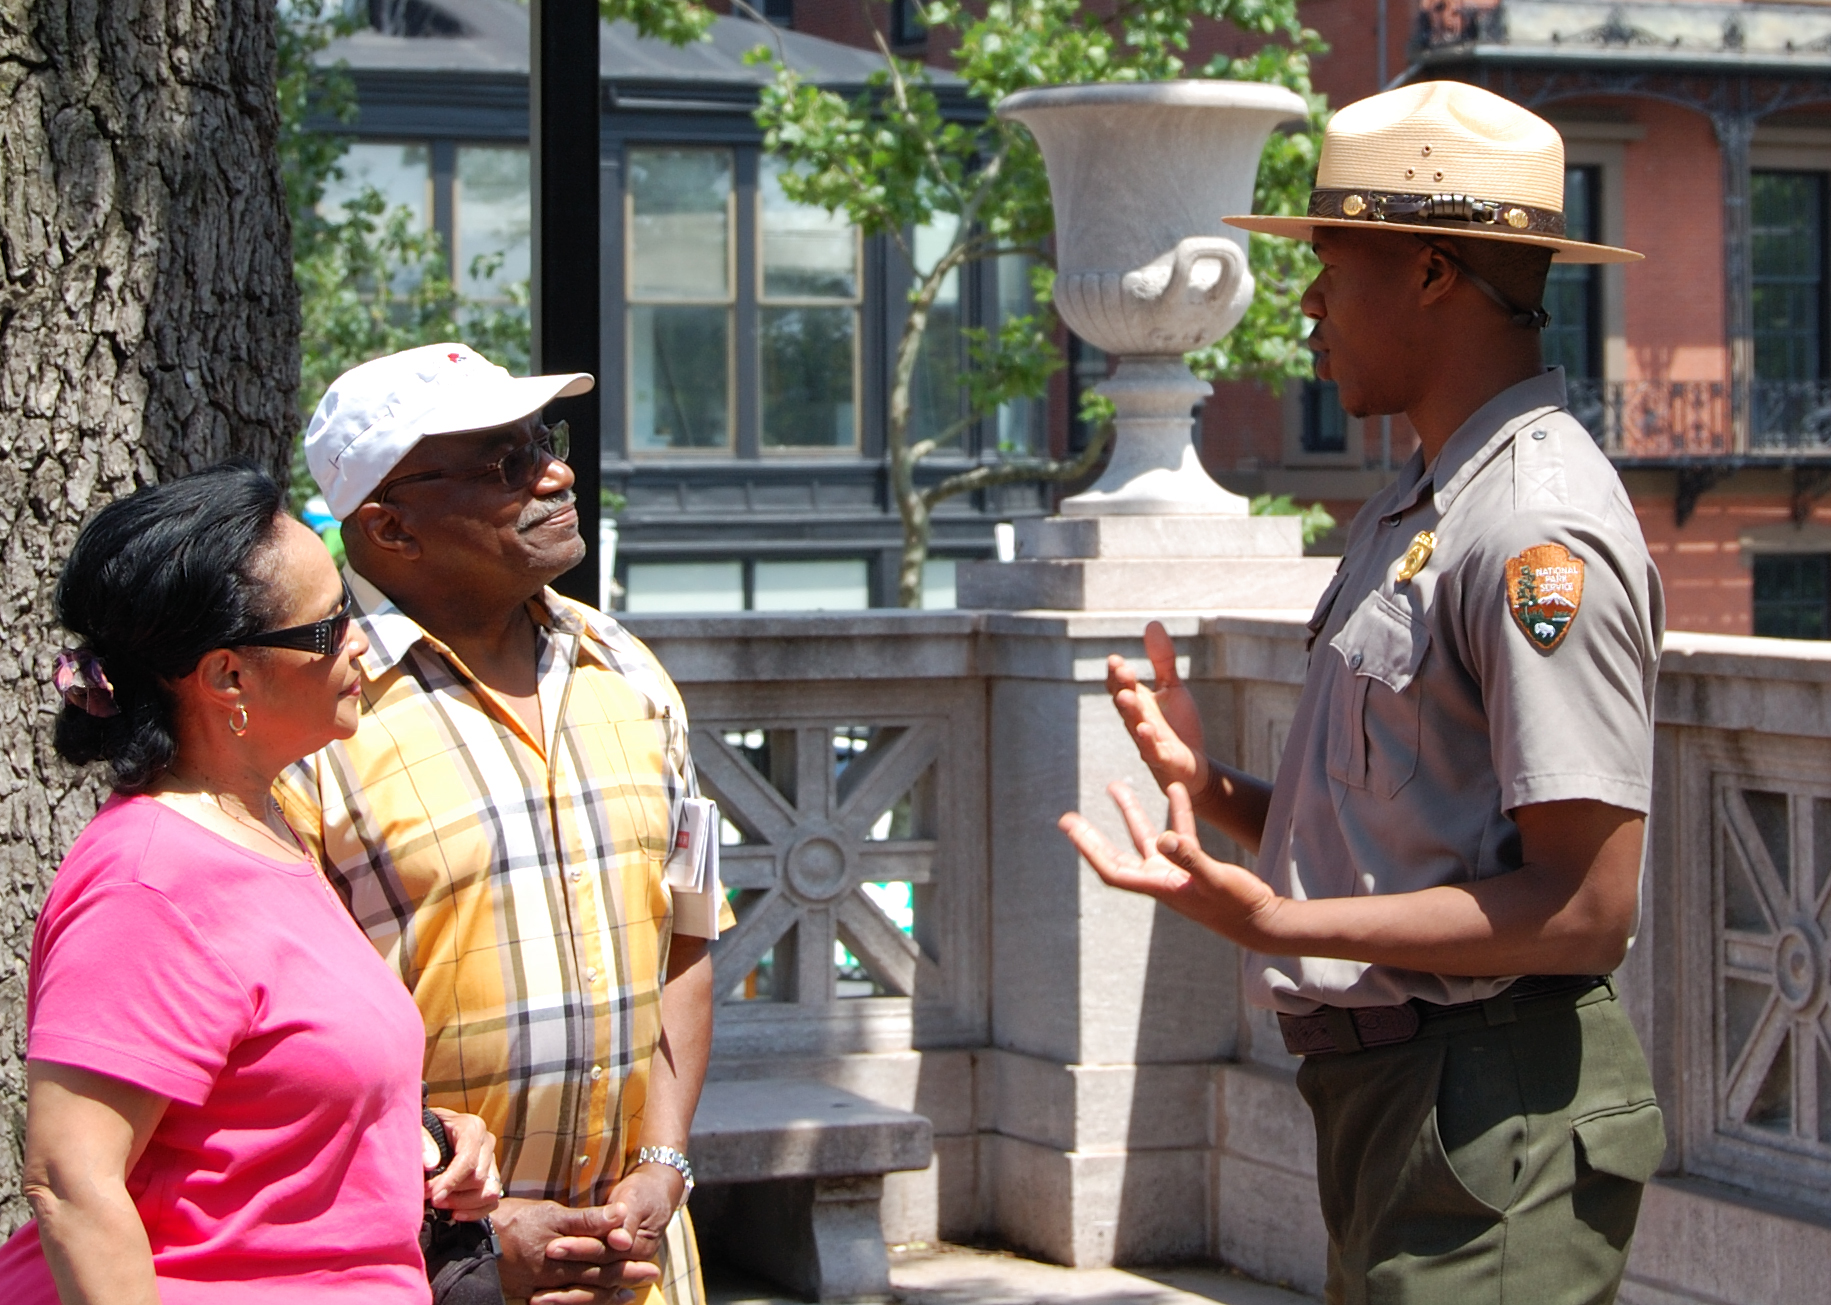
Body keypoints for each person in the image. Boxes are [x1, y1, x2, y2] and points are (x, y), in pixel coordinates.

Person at [1060, 82, 1669, 1304]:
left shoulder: (1533, 529)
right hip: (1410, 1105)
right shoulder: (1422, 502)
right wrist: (1219, 791)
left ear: (1436, 273)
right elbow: (1429, 823)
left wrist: (1280, 925)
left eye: (1333, 261)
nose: (1308, 302)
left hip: (1490, 1112)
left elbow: (1580, 907)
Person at [278, 343, 730, 1305]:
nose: (554, 473)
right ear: (390, 526)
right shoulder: (310, 717)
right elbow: (281, 1043)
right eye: (502, 463)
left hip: (637, 1264)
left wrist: (663, 1161)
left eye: (543, 442)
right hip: (412, 1266)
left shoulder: (627, 670)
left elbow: (687, 935)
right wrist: (462, 1227)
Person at [1, 464, 501, 1305]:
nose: (361, 640)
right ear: (228, 677)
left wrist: (410, 1135)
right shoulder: (149, 882)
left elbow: (258, 1099)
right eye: (328, 624)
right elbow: (71, 1182)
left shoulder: (261, 825)